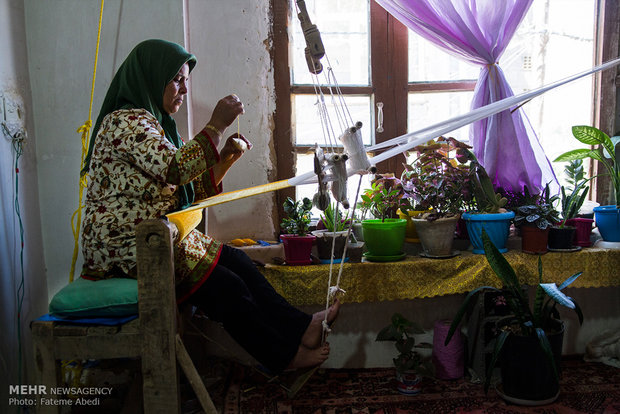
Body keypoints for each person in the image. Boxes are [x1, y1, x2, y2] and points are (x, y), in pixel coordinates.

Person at [80, 39, 340, 374]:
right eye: (176, 79)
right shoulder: (126, 121)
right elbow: (175, 169)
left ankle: (303, 327)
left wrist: (227, 158)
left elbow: (187, 189)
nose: (183, 89)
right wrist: (216, 125)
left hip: (153, 236)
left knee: (238, 263)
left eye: (186, 81)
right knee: (227, 287)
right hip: (123, 246)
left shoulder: (154, 124)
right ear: (150, 77)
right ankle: (283, 357)